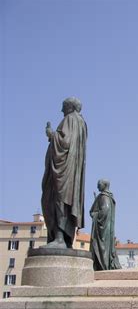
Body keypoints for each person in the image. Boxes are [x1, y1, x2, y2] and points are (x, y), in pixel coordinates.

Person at [41, 97, 87, 248]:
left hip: (64, 169)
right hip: (73, 170)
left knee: (58, 199)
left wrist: (51, 134)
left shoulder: (70, 119)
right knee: (66, 201)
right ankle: (65, 239)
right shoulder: (81, 123)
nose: (61, 110)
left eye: (63, 107)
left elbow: (64, 142)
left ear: (70, 107)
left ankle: (60, 238)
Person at [90, 179, 121, 271]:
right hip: (108, 229)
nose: (97, 186)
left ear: (105, 185)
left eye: (99, 184)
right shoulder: (110, 197)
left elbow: (105, 212)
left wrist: (95, 214)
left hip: (102, 230)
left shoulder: (103, 197)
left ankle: (102, 265)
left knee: (101, 246)